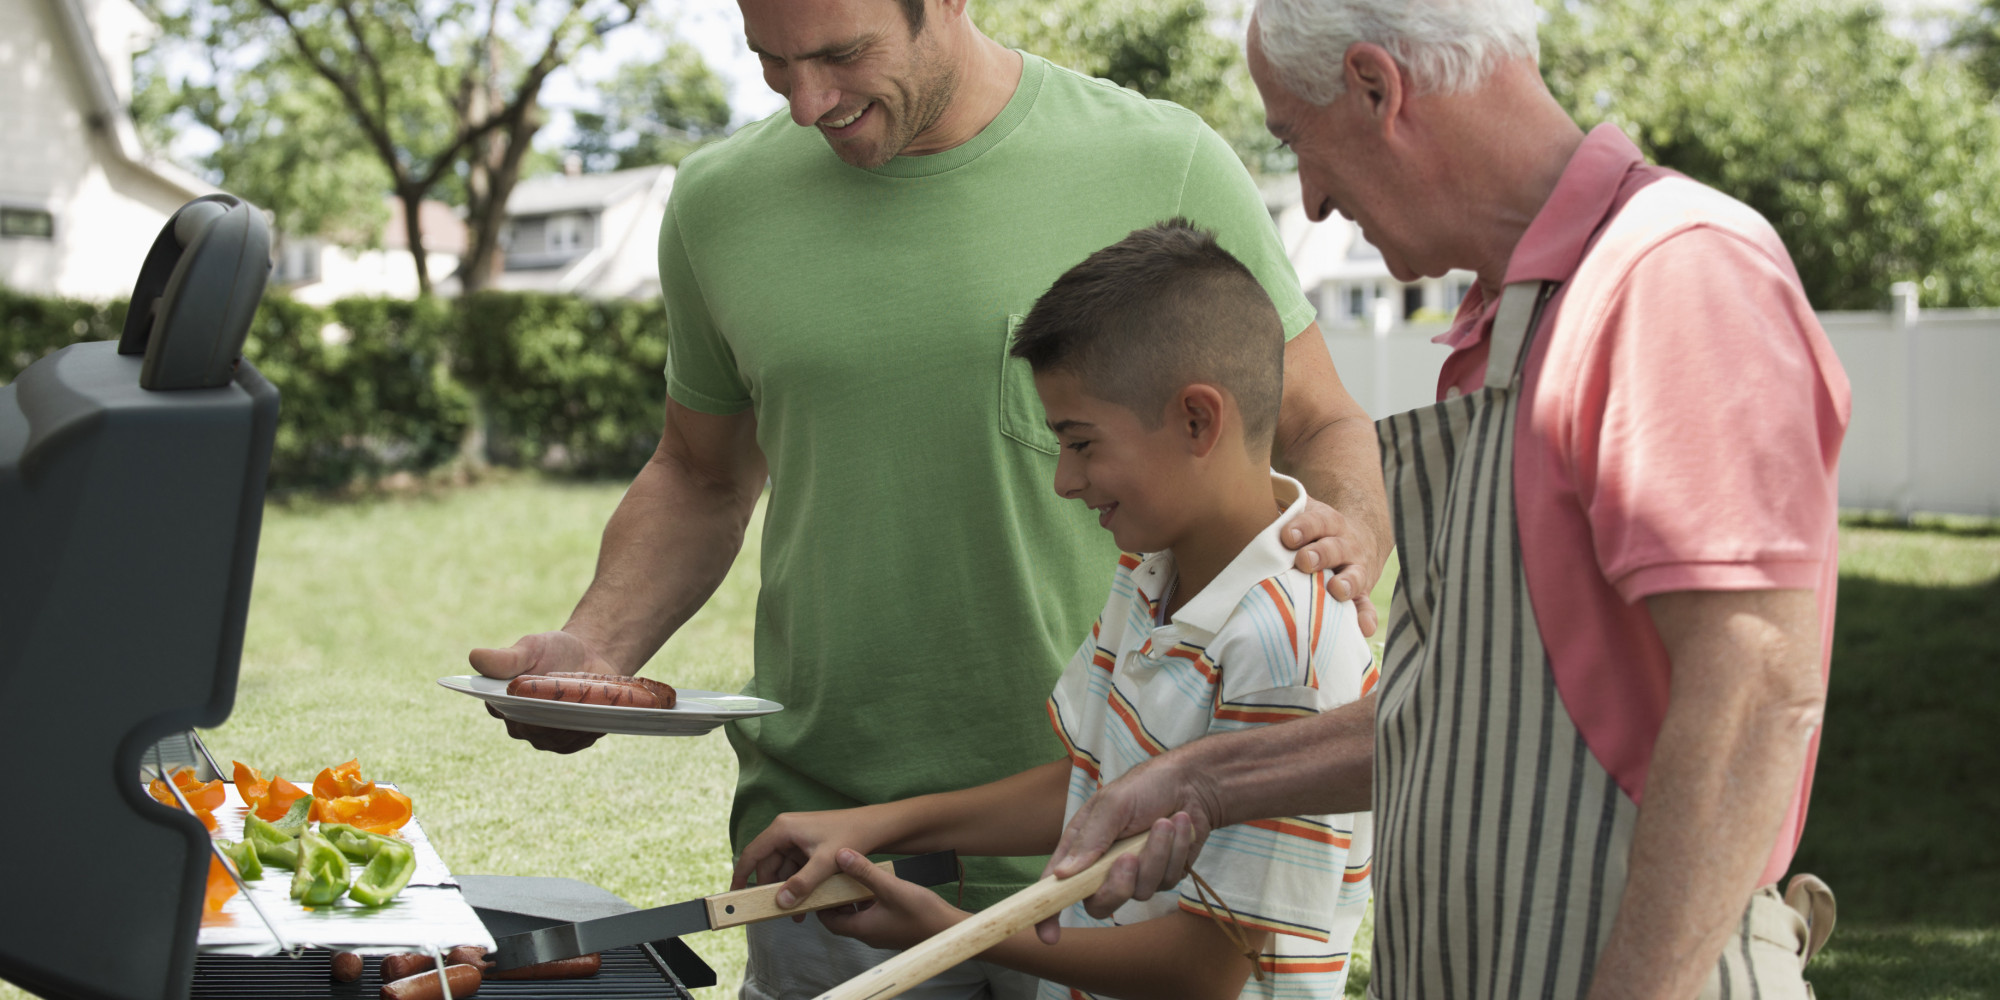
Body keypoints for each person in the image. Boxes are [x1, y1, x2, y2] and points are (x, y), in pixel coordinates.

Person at [467, 0, 1394, 996]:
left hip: (1122, 877)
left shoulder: (1163, 160)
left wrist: (1335, 567)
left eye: (839, 55)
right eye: (773, 64)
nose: (808, 103)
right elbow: (697, 474)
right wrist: (595, 655)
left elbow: (1318, 420)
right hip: (836, 871)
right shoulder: (716, 204)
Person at [1038, 2, 1852, 998]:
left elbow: (1754, 686)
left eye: (1297, 139)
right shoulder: (1507, 324)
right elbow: (1465, 711)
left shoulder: (1670, 274)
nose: (1317, 199)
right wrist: (1202, 780)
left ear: (1379, 89)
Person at [735, 220, 1377, 1000]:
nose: (1064, 482)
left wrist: (947, 932)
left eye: (1081, 443)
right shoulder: (1151, 570)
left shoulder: (1288, 644)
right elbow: (1091, 788)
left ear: (1197, 420)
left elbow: (1203, 970)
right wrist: (877, 825)